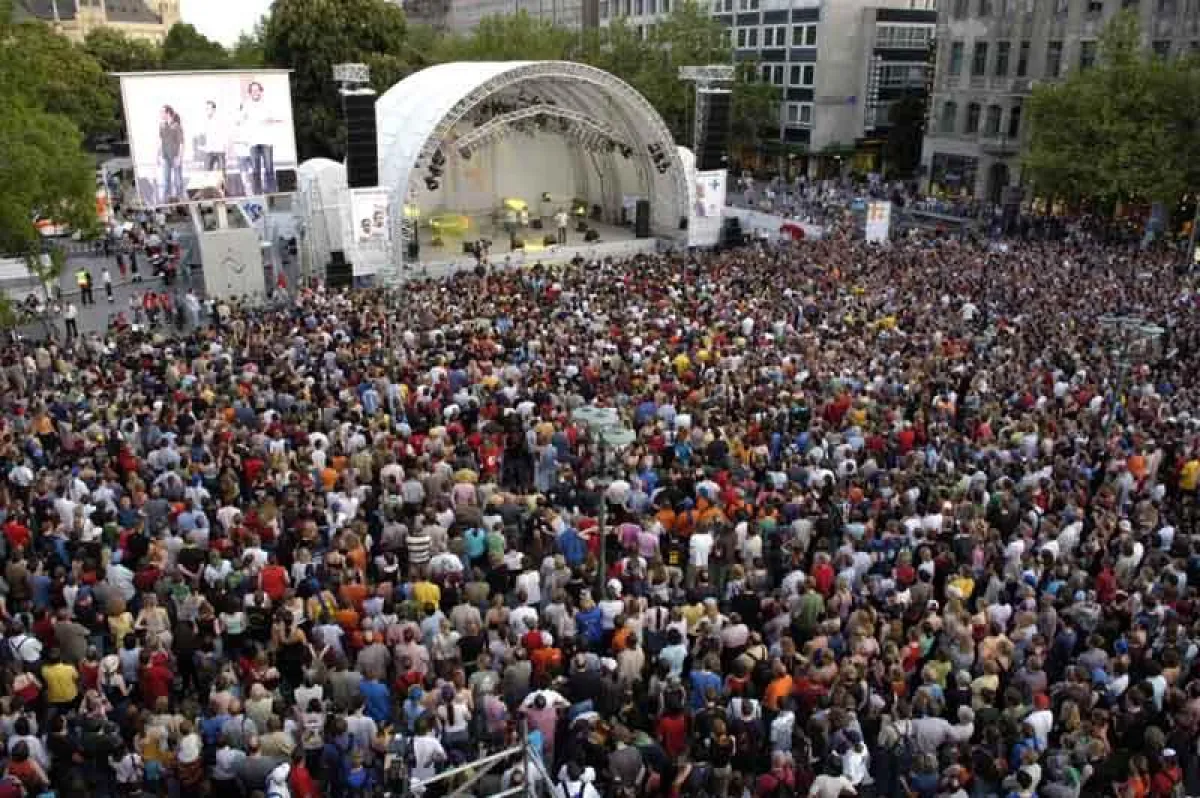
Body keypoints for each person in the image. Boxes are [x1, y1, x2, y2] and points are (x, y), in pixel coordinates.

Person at [242, 81, 279, 195]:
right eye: (252, 90)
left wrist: (271, 119)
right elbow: (240, 122)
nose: (255, 92)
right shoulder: (246, 106)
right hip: (253, 142)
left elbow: (276, 118)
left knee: (269, 168)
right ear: (250, 93)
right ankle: (257, 194)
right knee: (255, 170)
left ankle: (272, 193)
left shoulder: (267, 104)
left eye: (257, 90)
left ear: (260, 91)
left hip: (266, 141)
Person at [158, 104, 185, 204]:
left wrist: (179, 157)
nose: (161, 114)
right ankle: (166, 200)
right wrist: (158, 155)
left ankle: (180, 200)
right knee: (166, 180)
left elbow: (181, 143)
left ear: (168, 113)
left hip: (175, 156)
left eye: (162, 112)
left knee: (178, 180)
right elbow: (161, 141)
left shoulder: (176, 126)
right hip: (165, 156)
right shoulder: (162, 125)